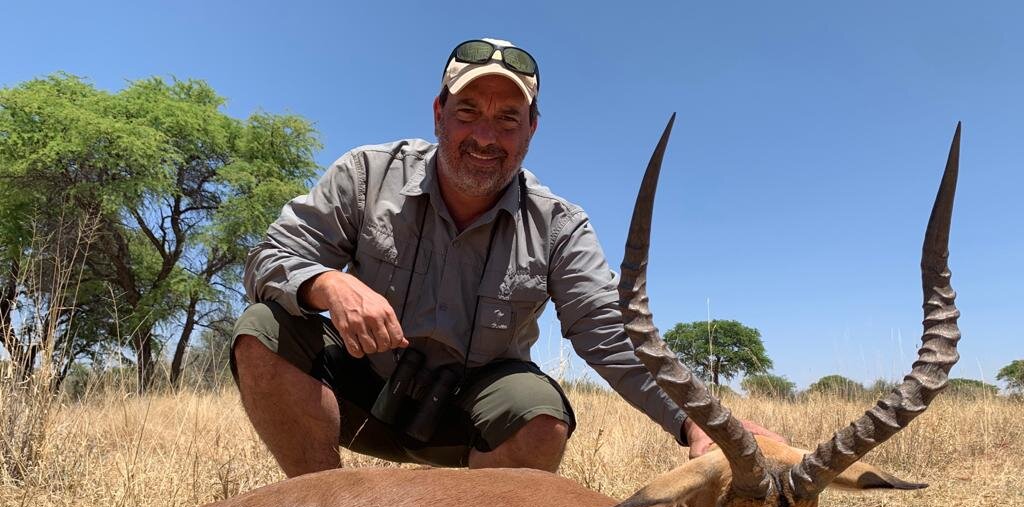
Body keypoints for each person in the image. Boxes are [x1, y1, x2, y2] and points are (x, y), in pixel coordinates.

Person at [232, 38, 781, 477]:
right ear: (438, 114)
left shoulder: (561, 226)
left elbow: (612, 338)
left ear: (532, 130)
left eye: (507, 119)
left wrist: (701, 424)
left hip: (470, 417)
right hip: (362, 390)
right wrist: (328, 284)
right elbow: (270, 258)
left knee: (539, 414)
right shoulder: (368, 173)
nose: (484, 136)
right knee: (262, 327)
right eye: (468, 111)